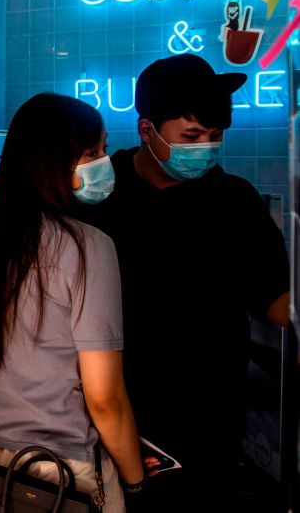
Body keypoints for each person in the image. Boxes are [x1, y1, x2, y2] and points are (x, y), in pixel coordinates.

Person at [77, 54, 290, 509]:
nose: (206, 149)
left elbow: (272, 298)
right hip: (112, 412)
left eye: (215, 138)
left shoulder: (235, 201)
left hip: (210, 421)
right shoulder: (100, 192)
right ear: (147, 130)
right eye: (191, 137)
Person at [0, 93, 144, 513]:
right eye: (92, 152)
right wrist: (136, 479)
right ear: (51, 162)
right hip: (59, 476)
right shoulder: (90, 249)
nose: (104, 162)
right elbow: (105, 398)